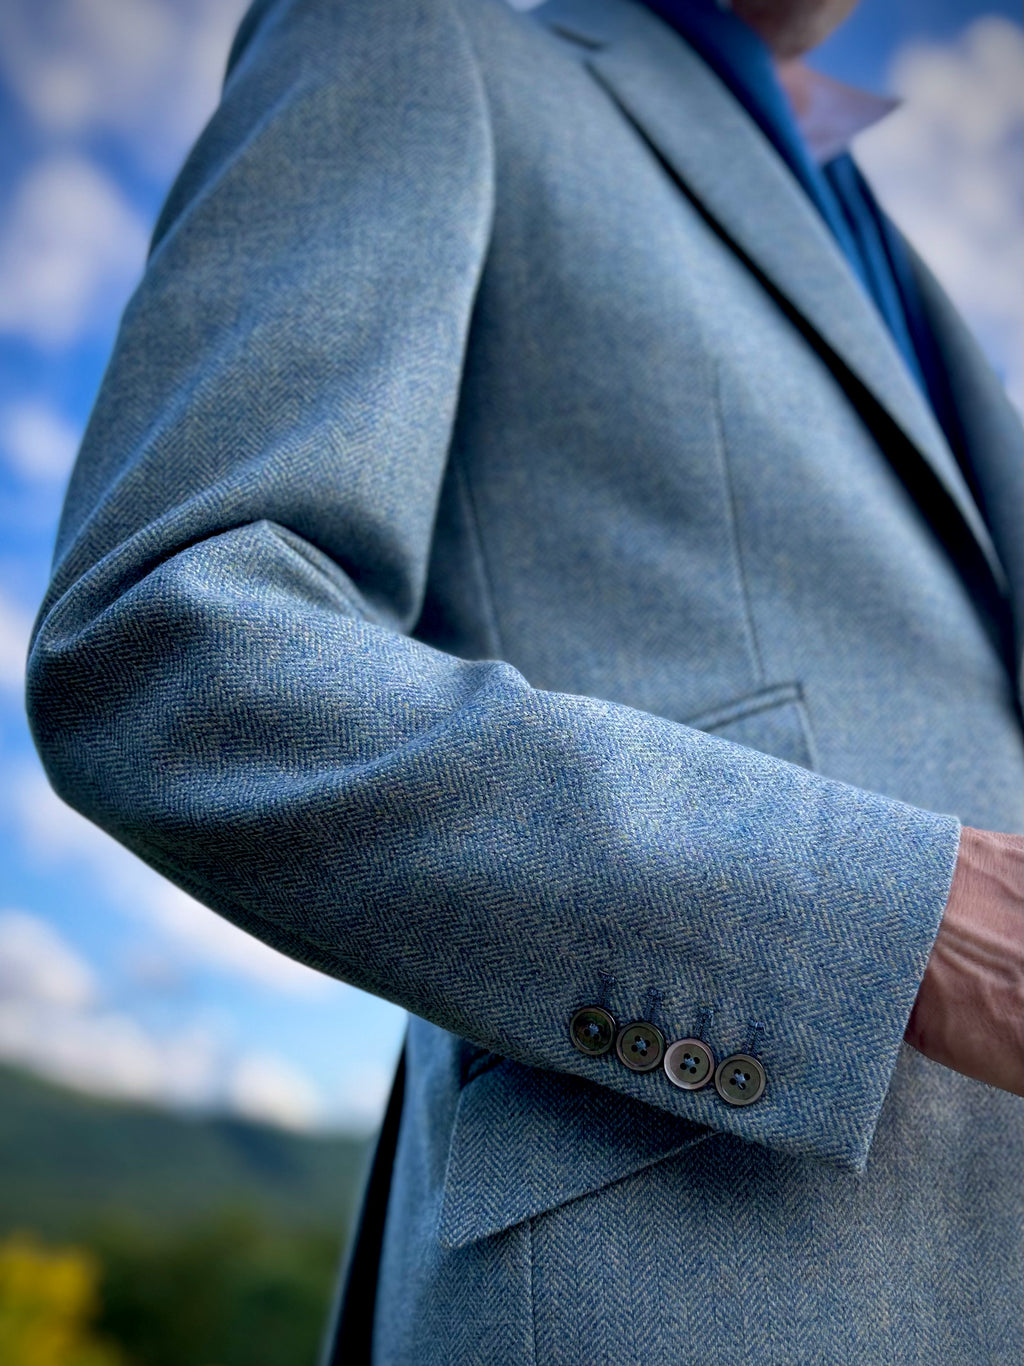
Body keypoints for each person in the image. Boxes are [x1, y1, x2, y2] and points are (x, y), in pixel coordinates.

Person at [25, 0, 1023, 1360]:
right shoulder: (412, 41)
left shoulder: (887, 247)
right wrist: (901, 920)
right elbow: (166, 646)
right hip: (710, 1291)